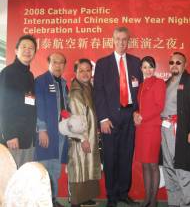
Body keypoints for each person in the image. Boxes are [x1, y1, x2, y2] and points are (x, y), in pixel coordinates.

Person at [94, 26, 142, 207]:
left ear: (128, 41)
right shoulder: (103, 63)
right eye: (118, 39)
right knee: (111, 158)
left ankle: (123, 193)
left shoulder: (136, 62)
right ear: (112, 40)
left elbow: (141, 91)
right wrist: (103, 118)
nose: (122, 43)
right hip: (110, 119)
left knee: (126, 156)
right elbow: (98, 93)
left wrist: (137, 111)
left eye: (125, 39)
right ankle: (111, 197)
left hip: (129, 117)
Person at [161, 52, 190, 207]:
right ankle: (174, 203)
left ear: (185, 65)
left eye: (178, 62)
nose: (174, 65)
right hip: (165, 130)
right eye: (171, 62)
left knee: (185, 169)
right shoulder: (166, 83)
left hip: (183, 130)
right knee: (169, 167)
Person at [64, 58, 101, 207]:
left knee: (88, 166)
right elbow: (77, 119)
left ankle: (85, 198)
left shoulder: (88, 87)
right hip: (81, 138)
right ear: (75, 72)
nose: (85, 73)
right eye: (81, 70)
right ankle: (76, 201)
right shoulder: (76, 91)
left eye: (88, 70)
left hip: (90, 135)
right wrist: (83, 139)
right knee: (79, 167)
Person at [34, 52, 68, 207]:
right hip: (47, 132)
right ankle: (42, 201)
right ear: (48, 63)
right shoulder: (41, 81)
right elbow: (38, 107)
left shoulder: (63, 83)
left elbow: (64, 107)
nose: (58, 65)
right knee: (44, 168)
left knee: (55, 169)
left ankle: (52, 200)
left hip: (60, 133)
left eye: (61, 62)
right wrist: (42, 129)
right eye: (54, 62)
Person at [0, 34, 37, 168]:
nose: (27, 50)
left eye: (31, 48)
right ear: (16, 51)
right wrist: (10, 134)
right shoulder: (8, 73)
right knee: (11, 179)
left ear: (34, 53)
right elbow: (3, 106)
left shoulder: (29, 75)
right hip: (13, 139)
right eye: (24, 47)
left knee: (23, 179)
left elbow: (29, 102)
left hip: (27, 137)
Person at [133, 56, 166, 207]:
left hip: (152, 128)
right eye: (145, 67)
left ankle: (153, 200)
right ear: (141, 69)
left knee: (153, 165)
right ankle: (147, 197)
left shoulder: (159, 83)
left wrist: (142, 117)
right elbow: (139, 107)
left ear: (155, 68)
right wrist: (136, 114)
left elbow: (159, 106)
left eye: (151, 66)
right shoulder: (141, 85)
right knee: (145, 164)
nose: (148, 70)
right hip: (141, 129)